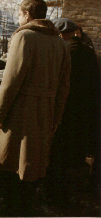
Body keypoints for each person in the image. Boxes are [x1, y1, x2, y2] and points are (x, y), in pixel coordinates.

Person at [0, 0, 71, 216]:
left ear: (27, 15)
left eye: (20, 14)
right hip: (46, 111)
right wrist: (57, 117)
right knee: (33, 162)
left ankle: (12, 209)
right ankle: (24, 207)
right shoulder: (60, 42)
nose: (19, 18)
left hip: (22, 110)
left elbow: (11, 80)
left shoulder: (24, 37)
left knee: (13, 161)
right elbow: (64, 86)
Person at [47, 18, 100, 205]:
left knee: (59, 151)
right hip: (84, 111)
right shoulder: (88, 51)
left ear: (61, 34)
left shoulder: (65, 52)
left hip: (66, 109)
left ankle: (57, 194)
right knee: (74, 151)